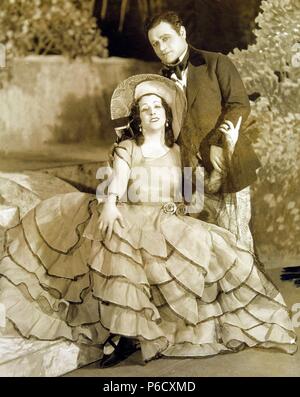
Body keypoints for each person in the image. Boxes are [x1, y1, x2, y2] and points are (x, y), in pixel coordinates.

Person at [0, 75, 296, 371]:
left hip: (167, 222)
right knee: (117, 240)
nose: (153, 111)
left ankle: (168, 328)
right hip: (129, 215)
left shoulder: (181, 153)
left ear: (168, 117)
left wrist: (227, 151)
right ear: (138, 119)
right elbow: (116, 180)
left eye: (158, 107)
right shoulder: (128, 148)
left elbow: (196, 198)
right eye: (145, 109)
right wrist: (112, 204)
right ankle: (124, 332)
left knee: (218, 248)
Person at [144, 11, 261, 252]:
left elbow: (239, 105)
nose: (161, 47)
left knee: (237, 244)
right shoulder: (157, 83)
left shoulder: (217, 62)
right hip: (188, 175)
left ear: (182, 33)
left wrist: (219, 144)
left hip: (228, 163)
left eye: (166, 38)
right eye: (155, 43)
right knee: (197, 246)